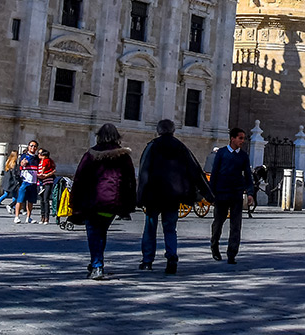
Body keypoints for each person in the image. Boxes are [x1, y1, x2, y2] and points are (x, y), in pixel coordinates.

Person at [137, 119, 212, 275]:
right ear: (173, 131)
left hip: (154, 194)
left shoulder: (152, 147)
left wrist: (139, 196)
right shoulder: (181, 147)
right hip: (173, 195)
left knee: (150, 227)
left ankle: (147, 261)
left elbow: (144, 172)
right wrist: (208, 194)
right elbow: (195, 171)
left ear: (158, 131)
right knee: (170, 229)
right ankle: (172, 258)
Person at [71, 124, 137, 281]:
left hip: (92, 200)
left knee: (94, 232)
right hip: (113, 202)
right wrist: (129, 203)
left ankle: (97, 265)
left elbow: (79, 178)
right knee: (101, 231)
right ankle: (96, 261)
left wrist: (75, 201)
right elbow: (130, 181)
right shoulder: (124, 156)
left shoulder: (91, 155)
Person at [208, 127, 255, 264]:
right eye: (240, 138)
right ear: (232, 138)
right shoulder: (222, 153)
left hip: (236, 194)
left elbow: (247, 175)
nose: (242, 141)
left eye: (243, 138)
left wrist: (250, 192)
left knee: (236, 225)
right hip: (222, 193)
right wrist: (212, 194)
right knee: (218, 222)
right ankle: (214, 246)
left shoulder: (243, 156)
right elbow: (214, 173)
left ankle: (232, 253)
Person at [13, 140, 40, 224]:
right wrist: (23, 163)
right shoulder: (24, 156)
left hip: (34, 182)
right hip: (25, 181)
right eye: (31, 146)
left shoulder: (37, 158)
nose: (33, 147)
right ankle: (16, 217)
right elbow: (21, 163)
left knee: (31, 201)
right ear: (28, 146)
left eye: (35, 146)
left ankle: (28, 217)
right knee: (20, 200)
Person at [37, 148, 56, 224]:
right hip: (41, 181)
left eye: (40, 154)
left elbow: (45, 169)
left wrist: (43, 174)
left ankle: (46, 217)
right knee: (41, 200)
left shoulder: (46, 161)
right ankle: (42, 216)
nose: (39, 155)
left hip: (47, 181)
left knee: (45, 199)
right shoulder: (39, 161)